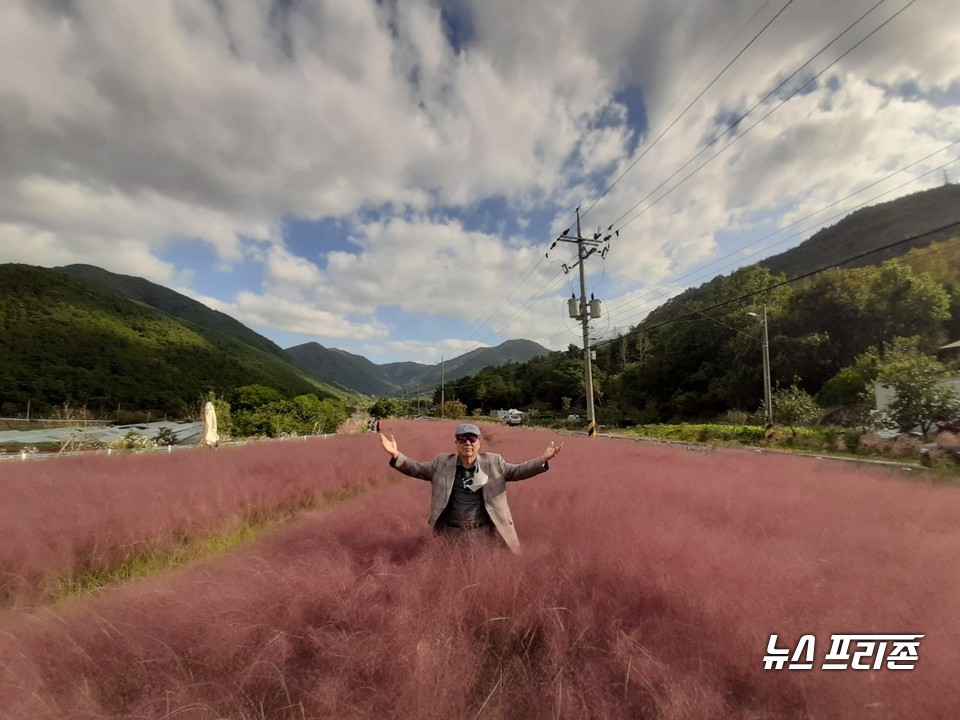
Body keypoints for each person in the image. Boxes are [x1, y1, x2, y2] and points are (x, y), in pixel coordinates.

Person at [379, 423, 562, 554]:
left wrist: (542, 460)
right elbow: (417, 469)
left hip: (483, 534)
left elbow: (518, 471)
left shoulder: (494, 462)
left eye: (472, 438)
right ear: (456, 443)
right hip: (451, 534)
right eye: (462, 438)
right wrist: (396, 455)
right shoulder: (442, 463)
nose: (467, 443)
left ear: (479, 442)